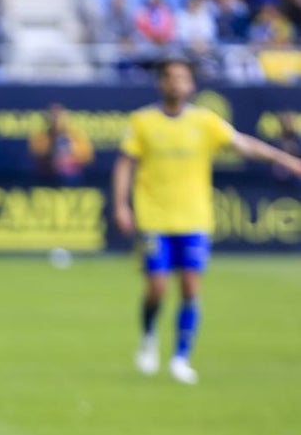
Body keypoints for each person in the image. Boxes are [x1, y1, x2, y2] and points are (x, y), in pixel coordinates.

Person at [112, 56, 301, 385]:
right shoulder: (142, 121)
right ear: (161, 83)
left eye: (182, 78)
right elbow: (125, 164)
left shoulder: (205, 121)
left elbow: (244, 144)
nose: (176, 83)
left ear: (191, 85)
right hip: (155, 218)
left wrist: (282, 157)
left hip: (194, 219)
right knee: (157, 288)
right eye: (170, 77)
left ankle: (181, 358)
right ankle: (149, 335)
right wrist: (120, 205)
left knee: (190, 288)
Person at [28, 103, 94, 185]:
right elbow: (36, 153)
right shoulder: (41, 136)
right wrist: (54, 137)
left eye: (59, 116)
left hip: (71, 176)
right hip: (46, 174)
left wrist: (70, 156)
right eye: (53, 115)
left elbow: (88, 157)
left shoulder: (76, 135)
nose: (56, 119)